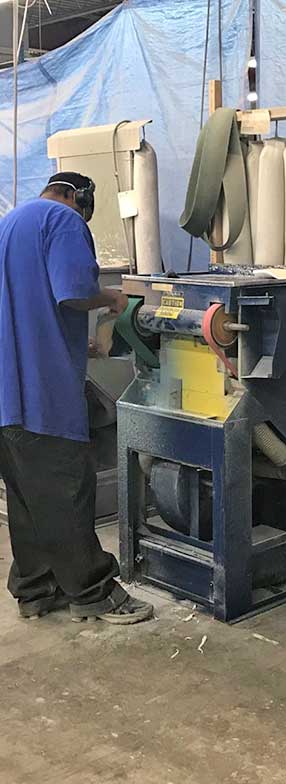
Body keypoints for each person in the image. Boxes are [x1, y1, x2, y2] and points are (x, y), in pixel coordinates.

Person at [0, 172, 154, 625]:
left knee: (26, 498)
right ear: (76, 197)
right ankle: (94, 592)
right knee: (67, 491)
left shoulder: (9, 224)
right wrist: (113, 298)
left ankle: (36, 589)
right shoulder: (63, 219)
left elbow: (29, 304)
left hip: (6, 394)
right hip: (40, 392)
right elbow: (73, 290)